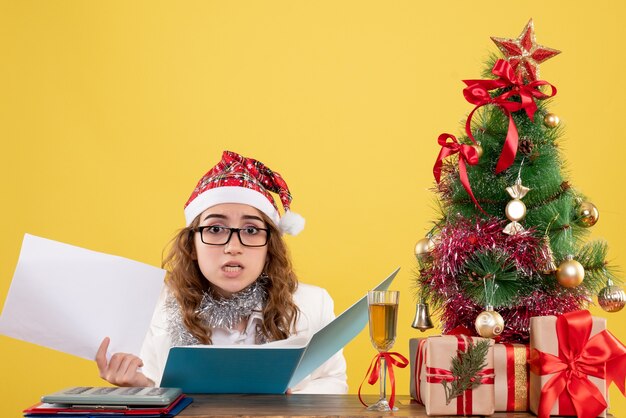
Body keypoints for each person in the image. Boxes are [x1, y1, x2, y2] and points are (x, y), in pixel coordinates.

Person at [95, 150, 348, 393]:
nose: (232, 247)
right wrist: (142, 389)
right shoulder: (155, 308)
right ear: (192, 245)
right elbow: (155, 391)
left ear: (269, 246)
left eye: (250, 230)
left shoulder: (314, 304)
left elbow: (333, 380)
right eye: (216, 229)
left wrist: (292, 403)